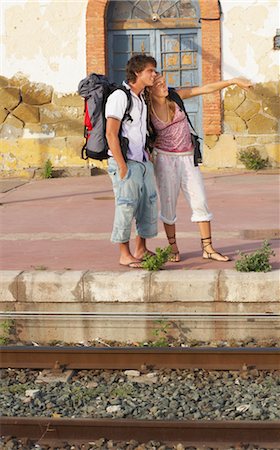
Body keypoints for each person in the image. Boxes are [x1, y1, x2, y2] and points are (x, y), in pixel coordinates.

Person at [148, 75, 252, 262]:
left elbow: (205, 88)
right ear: (150, 89)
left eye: (164, 81)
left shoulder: (175, 96)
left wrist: (233, 81)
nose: (164, 85)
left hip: (188, 158)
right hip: (165, 159)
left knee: (200, 201)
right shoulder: (146, 109)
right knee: (168, 205)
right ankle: (173, 248)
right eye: (159, 84)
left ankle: (208, 248)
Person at [105, 54, 158, 268]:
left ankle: (141, 248)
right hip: (125, 162)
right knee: (126, 206)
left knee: (148, 205)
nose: (154, 74)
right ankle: (124, 253)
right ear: (137, 73)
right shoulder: (119, 96)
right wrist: (122, 165)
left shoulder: (142, 97)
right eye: (150, 71)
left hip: (142, 161)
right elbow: (111, 133)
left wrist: (147, 157)